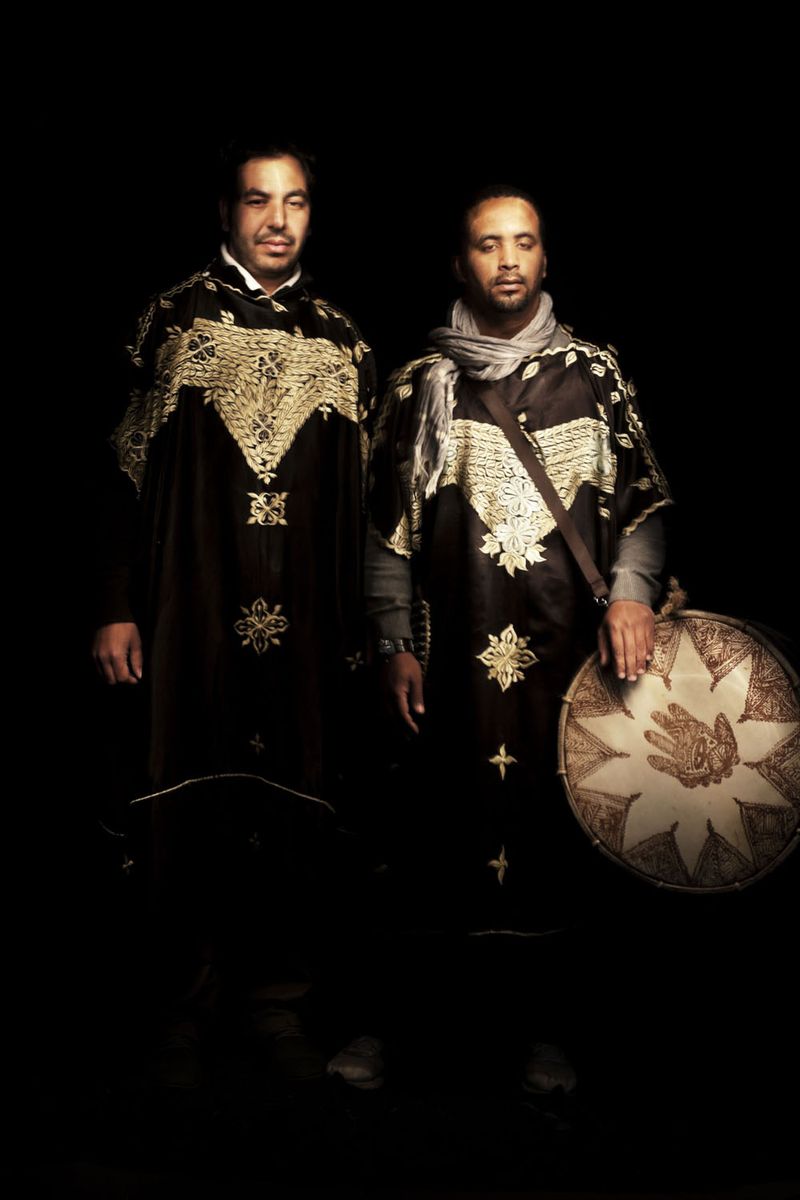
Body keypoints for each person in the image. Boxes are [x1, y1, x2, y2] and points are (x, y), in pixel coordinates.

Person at [365, 184, 672, 1091]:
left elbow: (644, 504)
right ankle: (411, 1036)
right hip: (450, 662)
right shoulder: (420, 384)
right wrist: (393, 642)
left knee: (554, 839)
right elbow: (384, 532)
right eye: (488, 244)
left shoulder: (596, 372)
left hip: (569, 663)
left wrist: (632, 596)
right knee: (432, 837)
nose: (507, 259)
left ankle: (548, 1036)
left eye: (524, 243)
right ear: (462, 263)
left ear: (545, 260)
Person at [92, 139, 376, 1086]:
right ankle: (182, 1009)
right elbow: (119, 474)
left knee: (294, 797)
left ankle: (276, 1006)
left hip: (305, 623)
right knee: (187, 796)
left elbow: (366, 507)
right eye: (259, 201)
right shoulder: (172, 318)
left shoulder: (342, 340)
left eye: (296, 202)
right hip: (190, 610)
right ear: (227, 212)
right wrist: (116, 603)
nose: (278, 221)